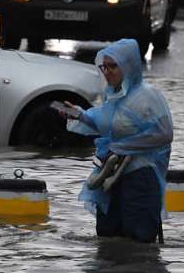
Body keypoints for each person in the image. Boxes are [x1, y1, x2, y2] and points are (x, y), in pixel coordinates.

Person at [60, 39, 174, 243]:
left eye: (113, 66)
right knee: (107, 236)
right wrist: (80, 115)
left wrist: (122, 147)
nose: (107, 72)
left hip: (140, 177)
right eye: (104, 66)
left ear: (128, 66)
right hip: (110, 175)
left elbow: (164, 134)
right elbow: (108, 126)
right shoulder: (113, 96)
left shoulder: (148, 96)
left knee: (138, 240)